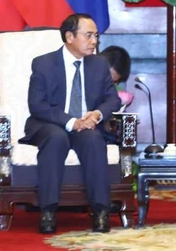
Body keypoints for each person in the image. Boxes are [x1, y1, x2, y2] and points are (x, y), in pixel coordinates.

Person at [19, 13, 121, 234]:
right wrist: (71, 121)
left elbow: (113, 99)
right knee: (56, 138)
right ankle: (48, 211)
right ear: (69, 37)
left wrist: (97, 115)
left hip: (86, 125)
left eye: (96, 36)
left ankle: (101, 211)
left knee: (94, 140)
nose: (94, 41)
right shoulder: (44, 64)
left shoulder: (99, 64)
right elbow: (37, 105)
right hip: (50, 123)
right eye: (88, 35)